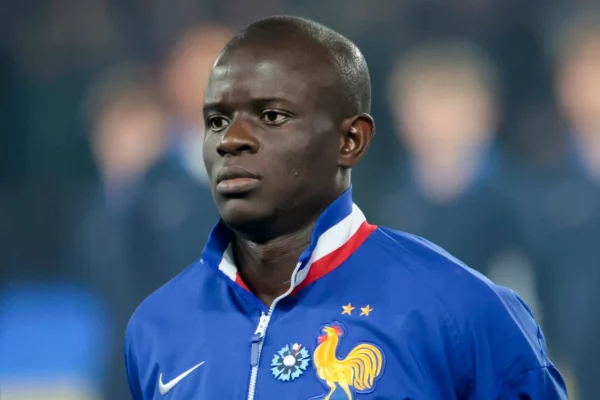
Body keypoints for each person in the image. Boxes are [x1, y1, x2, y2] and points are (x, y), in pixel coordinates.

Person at [124, 16, 567, 399]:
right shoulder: (156, 326)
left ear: (350, 140)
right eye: (217, 120)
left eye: (272, 116)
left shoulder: (463, 309)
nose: (231, 140)